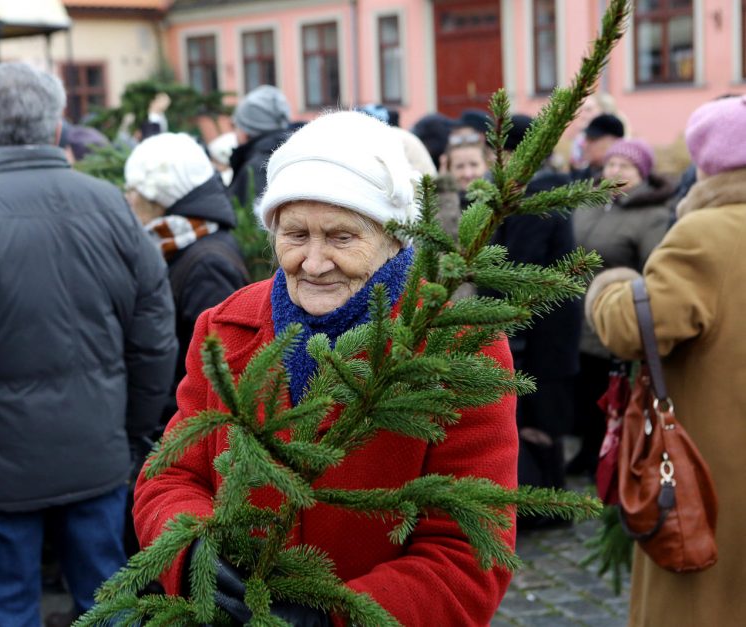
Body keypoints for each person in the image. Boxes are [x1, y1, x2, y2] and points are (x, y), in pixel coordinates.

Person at [132, 111, 518, 625]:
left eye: (341, 237)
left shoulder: (459, 348)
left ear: (394, 238)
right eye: (295, 235)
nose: (313, 262)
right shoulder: (224, 329)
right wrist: (191, 552)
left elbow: (470, 552)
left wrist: (335, 618)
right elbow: (169, 476)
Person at [0, 62, 177, 627]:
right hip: (95, 454)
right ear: (59, 126)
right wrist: (131, 428)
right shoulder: (111, 206)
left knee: (7, 611)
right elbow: (153, 334)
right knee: (109, 606)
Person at [585, 93, 746, 627]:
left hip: (716, 473)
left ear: (706, 163)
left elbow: (633, 328)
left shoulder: (708, 234)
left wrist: (612, 285)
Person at [123, 132, 249, 425]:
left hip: (184, 429)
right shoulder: (179, 244)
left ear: (159, 197)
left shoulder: (207, 264)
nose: (128, 198)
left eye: (134, 189)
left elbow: (217, 373)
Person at [491, 115, 581, 516]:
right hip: (550, 322)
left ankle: (545, 504)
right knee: (542, 411)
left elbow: (518, 266)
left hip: (540, 324)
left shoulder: (534, 196)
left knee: (538, 415)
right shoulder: (546, 188)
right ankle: (548, 498)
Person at [569, 138, 672, 475]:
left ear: (642, 173)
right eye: (611, 164)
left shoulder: (652, 215)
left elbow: (653, 267)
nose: (614, 171)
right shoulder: (589, 203)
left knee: (611, 392)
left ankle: (614, 458)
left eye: (624, 166)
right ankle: (588, 451)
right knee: (584, 391)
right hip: (577, 313)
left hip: (615, 315)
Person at [228, 84, 293, 207]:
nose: (235, 133)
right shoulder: (292, 155)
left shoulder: (256, 169)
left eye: (236, 126)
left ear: (246, 131)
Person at [571, 113, 625, 181]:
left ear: (614, 142)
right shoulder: (577, 178)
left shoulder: (623, 180)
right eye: (586, 139)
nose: (583, 145)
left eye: (592, 140)